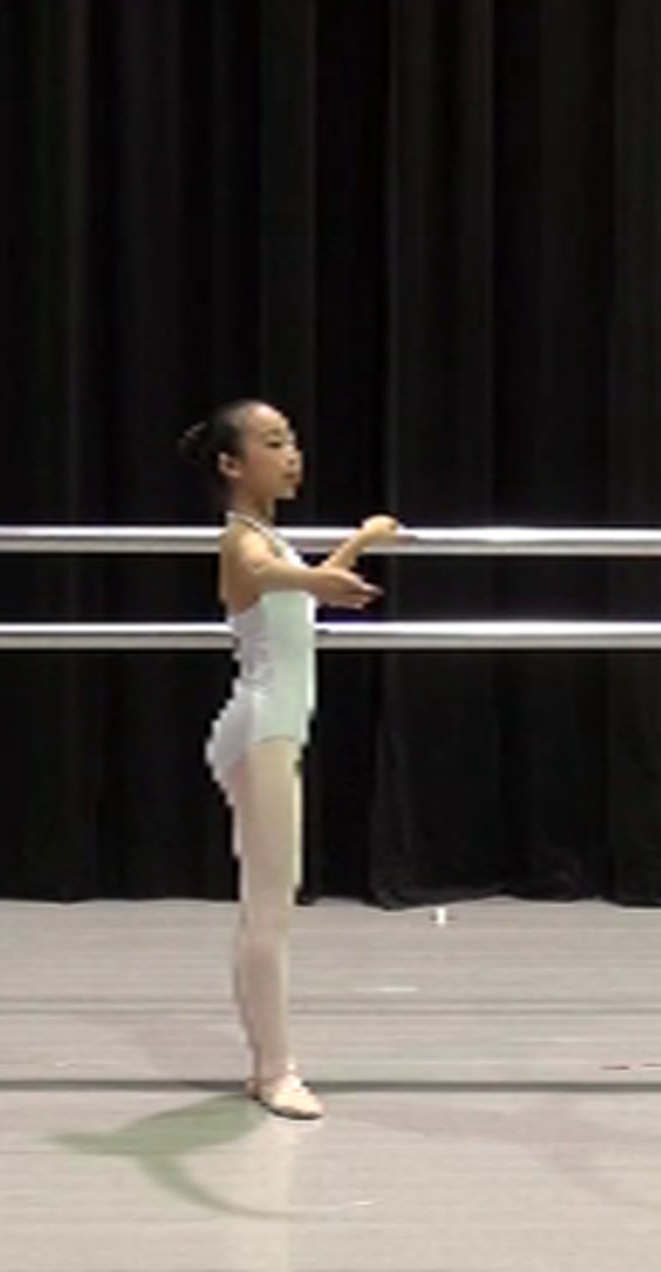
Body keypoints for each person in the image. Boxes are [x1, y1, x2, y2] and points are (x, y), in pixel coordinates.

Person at [177, 399, 398, 1120]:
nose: (292, 455)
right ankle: (275, 1071)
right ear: (231, 465)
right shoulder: (240, 539)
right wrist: (318, 579)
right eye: (274, 443)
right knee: (269, 907)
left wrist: (357, 545)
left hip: (270, 729)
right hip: (261, 730)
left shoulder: (270, 540)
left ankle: (267, 1066)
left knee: (269, 901)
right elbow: (265, 575)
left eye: (292, 440)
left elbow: (296, 592)